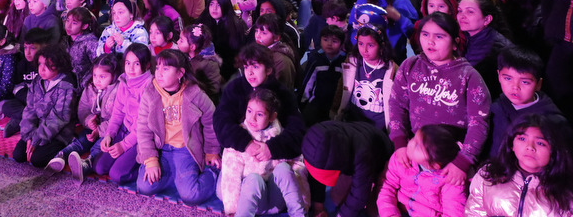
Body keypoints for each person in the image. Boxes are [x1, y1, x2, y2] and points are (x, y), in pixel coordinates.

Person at [388, 12, 491, 184]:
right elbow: (397, 105)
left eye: (439, 36)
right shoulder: (410, 66)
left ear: (455, 42)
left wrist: (463, 161)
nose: (430, 41)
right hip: (414, 152)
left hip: (452, 158)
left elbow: (479, 122)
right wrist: (400, 142)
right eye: (425, 34)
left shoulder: (468, 76)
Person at [466, 114, 573, 217]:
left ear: (554, 151)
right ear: (511, 144)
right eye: (522, 139)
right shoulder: (489, 175)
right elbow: (473, 213)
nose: (530, 147)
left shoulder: (567, 190)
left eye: (540, 143)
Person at [135, 49, 220, 205]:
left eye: (166, 69)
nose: (159, 73)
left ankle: (212, 172)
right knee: (144, 187)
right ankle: (174, 176)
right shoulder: (150, 93)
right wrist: (151, 160)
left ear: (180, 73)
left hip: (185, 150)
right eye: (158, 67)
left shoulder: (195, 94)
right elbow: (142, 129)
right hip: (161, 150)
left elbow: (211, 122)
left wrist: (211, 152)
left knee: (191, 196)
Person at [219, 88, 310, 217]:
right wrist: (232, 209)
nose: (252, 118)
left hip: (277, 200)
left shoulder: (281, 136)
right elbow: (230, 174)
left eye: (260, 114)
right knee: (253, 179)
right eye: (249, 111)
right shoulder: (239, 136)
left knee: (284, 168)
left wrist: (304, 202)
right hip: (251, 202)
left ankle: (299, 215)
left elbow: (298, 167)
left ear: (272, 117)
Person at [301, 119, 393, 217]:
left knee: (374, 209)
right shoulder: (321, 137)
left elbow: (359, 194)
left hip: (382, 159)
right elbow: (317, 174)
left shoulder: (362, 154)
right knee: (336, 199)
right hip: (354, 150)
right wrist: (318, 207)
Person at [489, 46, 566, 158]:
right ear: (499, 76)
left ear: (538, 84)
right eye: (508, 78)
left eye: (525, 82)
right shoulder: (495, 108)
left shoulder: (552, 120)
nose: (515, 87)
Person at [376, 124, 467, 217]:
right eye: (414, 138)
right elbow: (387, 186)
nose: (410, 143)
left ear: (435, 165)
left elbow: (453, 213)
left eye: (417, 146)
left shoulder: (451, 180)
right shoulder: (401, 158)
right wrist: (390, 213)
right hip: (398, 209)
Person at [58, 53, 122, 180]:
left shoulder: (118, 90)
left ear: (113, 75)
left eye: (102, 76)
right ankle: (61, 156)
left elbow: (117, 117)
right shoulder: (90, 88)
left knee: (100, 146)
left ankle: (86, 164)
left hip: (109, 131)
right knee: (82, 140)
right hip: (93, 128)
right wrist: (88, 121)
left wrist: (100, 130)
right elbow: (83, 108)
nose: (97, 80)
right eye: (95, 76)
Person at [12, 44, 77, 168]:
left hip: (58, 132)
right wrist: (29, 134)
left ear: (59, 65)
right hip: (38, 128)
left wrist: (37, 137)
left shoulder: (66, 86)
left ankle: (66, 150)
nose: (42, 69)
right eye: (40, 64)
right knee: (19, 155)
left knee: (37, 160)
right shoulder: (37, 81)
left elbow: (59, 118)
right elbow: (29, 109)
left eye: (47, 65)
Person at [96, 43, 153, 183]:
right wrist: (109, 134)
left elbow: (144, 127)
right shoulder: (124, 80)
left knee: (117, 175)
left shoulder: (150, 86)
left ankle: (144, 168)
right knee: (99, 168)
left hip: (141, 137)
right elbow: (117, 114)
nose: (131, 68)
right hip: (124, 130)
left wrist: (124, 145)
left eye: (137, 64)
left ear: (146, 66)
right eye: (128, 63)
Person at [336, 21, 398, 131]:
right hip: (353, 123)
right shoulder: (352, 62)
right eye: (360, 44)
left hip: (377, 128)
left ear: (381, 45)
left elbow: (396, 103)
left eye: (370, 45)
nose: (364, 50)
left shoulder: (392, 70)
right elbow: (341, 88)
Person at [456, 0, 513, 98]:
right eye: (460, 11)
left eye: (470, 12)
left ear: (487, 19)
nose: (462, 16)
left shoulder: (495, 48)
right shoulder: (466, 36)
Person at [297, 25, 346, 126]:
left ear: (341, 44)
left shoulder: (344, 61)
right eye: (325, 39)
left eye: (334, 41)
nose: (329, 44)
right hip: (316, 102)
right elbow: (308, 82)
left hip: (335, 104)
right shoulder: (316, 58)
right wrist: (302, 103)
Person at [197, 0, 248, 81]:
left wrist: (221, 64)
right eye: (211, 4)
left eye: (218, 5)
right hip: (204, 66)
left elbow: (238, 54)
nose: (214, 8)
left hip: (228, 69)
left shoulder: (236, 25)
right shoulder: (203, 21)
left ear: (225, 6)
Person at [177, 23, 222, 102]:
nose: (177, 42)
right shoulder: (185, 57)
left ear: (192, 47)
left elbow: (214, 90)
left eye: (181, 40)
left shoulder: (209, 63)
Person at [63, 7, 99, 90]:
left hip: (84, 88)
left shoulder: (90, 43)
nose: (68, 25)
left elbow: (97, 66)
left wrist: (84, 84)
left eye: (74, 23)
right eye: (67, 20)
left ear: (84, 26)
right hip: (67, 85)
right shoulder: (64, 41)